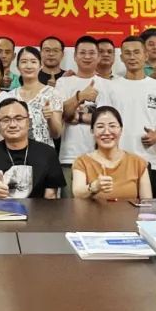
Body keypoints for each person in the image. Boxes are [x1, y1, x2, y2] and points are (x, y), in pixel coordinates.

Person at [96, 35, 156, 197]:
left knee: (152, 209)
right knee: (117, 210)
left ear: (146, 55)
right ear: (121, 58)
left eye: (137, 52)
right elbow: (102, 122)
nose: (132, 57)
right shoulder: (110, 87)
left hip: (151, 160)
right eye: (127, 53)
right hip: (116, 160)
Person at [0, 98, 65, 199]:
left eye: (18, 118)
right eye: (6, 120)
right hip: (1, 208)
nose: (12, 125)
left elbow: (51, 196)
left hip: (38, 208)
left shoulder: (47, 153)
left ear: (28, 122)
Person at [57, 36, 112, 193]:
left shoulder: (108, 85)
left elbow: (108, 120)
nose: (87, 57)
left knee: (99, 205)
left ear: (98, 57)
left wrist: (79, 116)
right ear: (75, 56)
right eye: (82, 53)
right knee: (68, 205)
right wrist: (81, 96)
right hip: (69, 156)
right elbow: (62, 114)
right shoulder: (63, 83)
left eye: (92, 53)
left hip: (101, 157)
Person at [71, 106, 153, 200]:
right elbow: (77, 194)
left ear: (121, 130)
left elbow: (147, 203)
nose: (106, 132)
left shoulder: (138, 163)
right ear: (92, 131)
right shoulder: (82, 162)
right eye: (100, 126)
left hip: (129, 210)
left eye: (112, 126)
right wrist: (94, 187)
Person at [9, 46, 64, 148]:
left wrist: (50, 117)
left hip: (43, 153)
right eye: (24, 62)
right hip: (15, 151)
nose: (29, 66)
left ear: (41, 65)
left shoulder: (52, 93)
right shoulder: (10, 96)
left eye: (33, 62)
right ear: (17, 66)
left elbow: (57, 134)